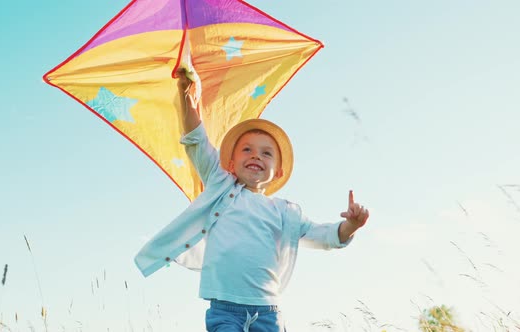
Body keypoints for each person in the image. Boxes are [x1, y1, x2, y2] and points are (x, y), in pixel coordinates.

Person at [135, 68, 370, 331]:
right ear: (231, 163)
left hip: (268, 311)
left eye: (267, 153)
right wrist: (186, 96)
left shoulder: (285, 212)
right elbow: (196, 141)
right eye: (247, 150)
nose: (256, 156)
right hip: (224, 308)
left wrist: (350, 226)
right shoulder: (220, 185)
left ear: (278, 172)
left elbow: (324, 235)